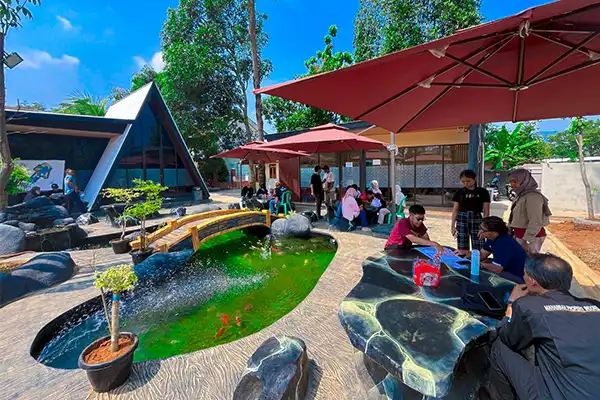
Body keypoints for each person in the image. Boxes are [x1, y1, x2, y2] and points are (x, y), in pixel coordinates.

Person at [488, 253, 600, 400]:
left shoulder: (528, 306)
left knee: (499, 347)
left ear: (533, 281)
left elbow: (508, 338)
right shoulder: (595, 306)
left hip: (558, 396)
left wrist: (511, 304)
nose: (523, 277)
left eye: (525, 274)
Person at [455, 216, 527, 283]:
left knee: (478, 271)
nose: (480, 232)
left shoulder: (504, 243)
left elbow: (497, 269)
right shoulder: (492, 238)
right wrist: (466, 252)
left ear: (494, 232)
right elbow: (482, 254)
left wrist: (480, 264)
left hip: (516, 276)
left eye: (483, 230)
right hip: (505, 268)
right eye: (480, 228)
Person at [508, 169, 551, 254]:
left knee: (528, 260)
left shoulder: (533, 197)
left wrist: (526, 241)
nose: (512, 184)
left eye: (515, 181)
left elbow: (535, 221)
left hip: (531, 237)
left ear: (525, 181)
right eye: (510, 182)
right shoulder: (521, 195)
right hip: (520, 235)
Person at [451, 169, 490, 254]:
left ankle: (479, 260)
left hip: (477, 219)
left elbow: (486, 211)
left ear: (474, 179)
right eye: (463, 181)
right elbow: (455, 210)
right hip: (462, 219)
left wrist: (484, 226)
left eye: (468, 181)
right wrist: (452, 226)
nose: (466, 183)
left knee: (479, 243)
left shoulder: (483, 192)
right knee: (462, 245)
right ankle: (463, 260)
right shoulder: (459, 192)